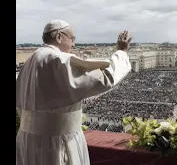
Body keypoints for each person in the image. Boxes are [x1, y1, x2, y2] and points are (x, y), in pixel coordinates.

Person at [16, 19, 132, 165]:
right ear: (59, 37)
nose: (74, 44)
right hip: (57, 143)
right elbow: (105, 78)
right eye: (72, 38)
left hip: (27, 140)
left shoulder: (31, 60)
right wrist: (121, 52)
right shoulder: (58, 60)